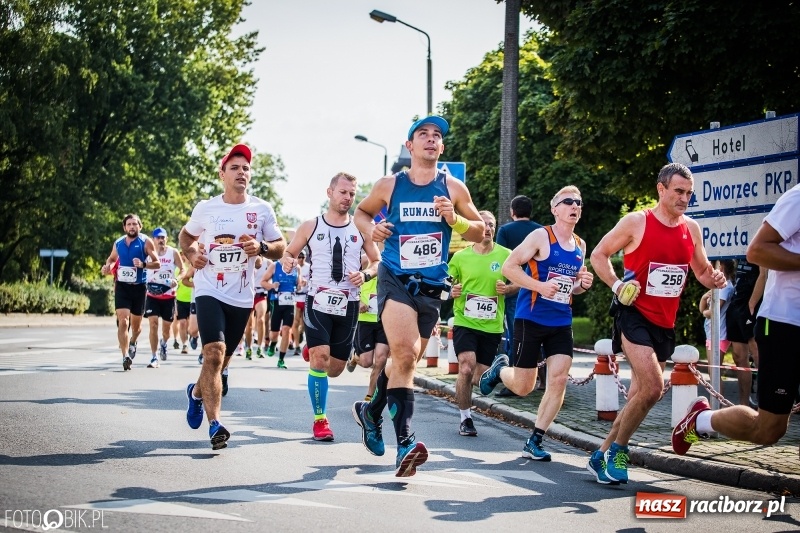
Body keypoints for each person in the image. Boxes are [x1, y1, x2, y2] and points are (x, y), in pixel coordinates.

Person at [351, 116, 485, 477]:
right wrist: (373, 228)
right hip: (395, 278)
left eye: (437, 135)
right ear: (410, 146)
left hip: (431, 288)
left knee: (402, 363)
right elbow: (361, 213)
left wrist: (454, 220)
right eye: (422, 135)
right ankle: (405, 443)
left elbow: (480, 231)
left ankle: (371, 411)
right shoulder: (390, 185)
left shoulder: (453, 188)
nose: (430, 139)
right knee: (406, 356)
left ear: (441, 147)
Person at [587, 163, 726, 484]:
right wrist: (618, 285)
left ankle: (600, 452)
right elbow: (598, 255)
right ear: (661, 189)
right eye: (678, 191)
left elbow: (702, 272)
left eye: (689, 193)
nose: (684, 198)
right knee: (651, 387)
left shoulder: (691, 229)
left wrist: (714, 278)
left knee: (639, 393)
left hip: (664, 321)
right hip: (632, 314)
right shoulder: (637, 222)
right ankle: (620, 452)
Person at [672, 183, 800, 457]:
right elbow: (756, 251)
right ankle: (700, 420)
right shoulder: (798, 197)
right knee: (769, 430)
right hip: (784, 323)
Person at [180, 143, 286, 450]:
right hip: (209, 287)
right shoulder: (206, 208)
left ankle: (197, 393)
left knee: (221, 362)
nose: (242, 173)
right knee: (213, 352)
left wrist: (262, 247)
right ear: (222, 173)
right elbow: (186, 236)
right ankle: (215, 425)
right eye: (235, 167)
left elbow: (280, 246)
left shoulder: (261, 210)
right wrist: (191, 254)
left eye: (246, 168)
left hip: (242, 295)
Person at [480, 187, 592, 460]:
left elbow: (572, 287)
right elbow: (509, 267)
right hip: (530, 318)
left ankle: (535, 439)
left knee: (559, 379)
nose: (574, 206)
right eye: (567, 202)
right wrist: (539, 286)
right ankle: (500, 369)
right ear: (555, 209)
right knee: (523, 387)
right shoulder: (542, 236)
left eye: (578, 202)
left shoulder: (580, 245)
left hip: (561, 321)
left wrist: (582, 285)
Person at [280, 172, 381, 441]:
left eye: (351, 193)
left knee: (335, 369)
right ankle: (320, 420)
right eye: (343, 192)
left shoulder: (361, 230)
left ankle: (312, 348)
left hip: (348, 304)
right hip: (318, 301)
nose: (347, 198)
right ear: (330, 193)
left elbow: (377, 262)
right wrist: (288, 261)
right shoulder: (310, 227)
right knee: (320, 359)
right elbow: (288, 253)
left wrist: (367, 275)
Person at [449, 210, 513, 436]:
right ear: (475, 228)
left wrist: (508, 288)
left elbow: (521, 281)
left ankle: (495, 371)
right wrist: (451, 290)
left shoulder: (507, 255)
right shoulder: (460, 257)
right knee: (466, 367)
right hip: (465, 322)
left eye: (491, 224)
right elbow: (445, 283)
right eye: (483, 224)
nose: (487, 228)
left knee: (480, 381)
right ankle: (465, 419)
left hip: (492, 326)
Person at [495, 195, 544, 396]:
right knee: (541, 332)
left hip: (516, 290)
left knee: (518, 334)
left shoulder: (505, 230)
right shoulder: (542, 231)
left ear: (512, 212)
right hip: (540, 287)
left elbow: (501, 259)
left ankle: (515, 381)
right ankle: (542, 379)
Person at [100, 214, 160, 371]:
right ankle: (125, 356)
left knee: (136, 327)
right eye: (129, 224)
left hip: (139, 287)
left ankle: (133, 341)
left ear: (140, 226)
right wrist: (108, 266)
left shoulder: (145, 242)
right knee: (123, 321)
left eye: (135, 224)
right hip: (122, 287)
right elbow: (112, 259)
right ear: (124, 227)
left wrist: (143, 264)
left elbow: (157, 263)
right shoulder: (118, 243)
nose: (132, 227)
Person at [347, 250, 390, 406]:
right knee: (366, 362)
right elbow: (347, 283)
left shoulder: (395, 259)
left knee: (381, 359)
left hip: (384, 318)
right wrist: (357, 302)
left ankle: (369, 398)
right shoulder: (364, 259)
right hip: (365, 318)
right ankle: (354, 357)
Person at [725, 258, 767, 408]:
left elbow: (764, 274)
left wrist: (752, 303)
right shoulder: (738, 248)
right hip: (736, 306)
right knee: (738, 356)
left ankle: (766, 403)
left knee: (756, 351)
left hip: (750, 307)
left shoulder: (758, 242)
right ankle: (744, 404)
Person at [143, 227, 183, 368]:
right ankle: (154, 357)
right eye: (158, 237)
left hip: (168, 296)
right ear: (153, 239)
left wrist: (176, 279)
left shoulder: (173, 252)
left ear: (166, 239)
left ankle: (164, 343)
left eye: (163, 237)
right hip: (152, 295)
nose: (161, 240)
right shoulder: (148, 253)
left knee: (166, 330)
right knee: (153, 324)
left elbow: (183, 270)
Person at [698, 259, 735, 391]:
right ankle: (716, 403)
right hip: (712, 332)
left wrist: (705, 313)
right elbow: (702, 309)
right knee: (711, 371)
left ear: (721, 267)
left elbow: (713, 311)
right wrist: (703, 299)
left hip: (719, 333)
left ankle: (718, 404)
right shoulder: (717, 287)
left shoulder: (725, 287)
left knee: (714, 373)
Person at [262, 257, 303, 368]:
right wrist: (272, 286)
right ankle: (273, 343)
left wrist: (300, 286)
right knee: (274, 333)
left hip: (290, 303)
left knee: (286, 330)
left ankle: (281, 359)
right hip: (276, 302)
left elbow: (298, 284)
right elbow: (263, 282)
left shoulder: (297, 267)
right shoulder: (275, 265)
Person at [246, 257, 271, 359]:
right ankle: (249, 348)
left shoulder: (268, 262)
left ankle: (260, 347)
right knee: (249, 325)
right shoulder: (247, 260)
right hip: (248, 295)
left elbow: (275, 274)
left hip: (261, 294)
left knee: (261, 319)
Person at [291, 250, 311, 356]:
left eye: (303, 257)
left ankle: (300, 333)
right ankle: (297, 346)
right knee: (295, 322)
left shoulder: (309, 267)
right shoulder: (293, 267)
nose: (301, 259)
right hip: (296, 297)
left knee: (304, 324)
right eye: (299, 257)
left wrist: (307, 282)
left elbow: (314, 280)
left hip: (306, 297)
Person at [175, 257, 194, 355]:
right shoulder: (179, 269)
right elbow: (174, 284)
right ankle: (185, 344)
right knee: (182, 323)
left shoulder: (195, 266)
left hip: (192, 300)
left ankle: (193, 336)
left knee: (191, 326)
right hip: (181, 300)